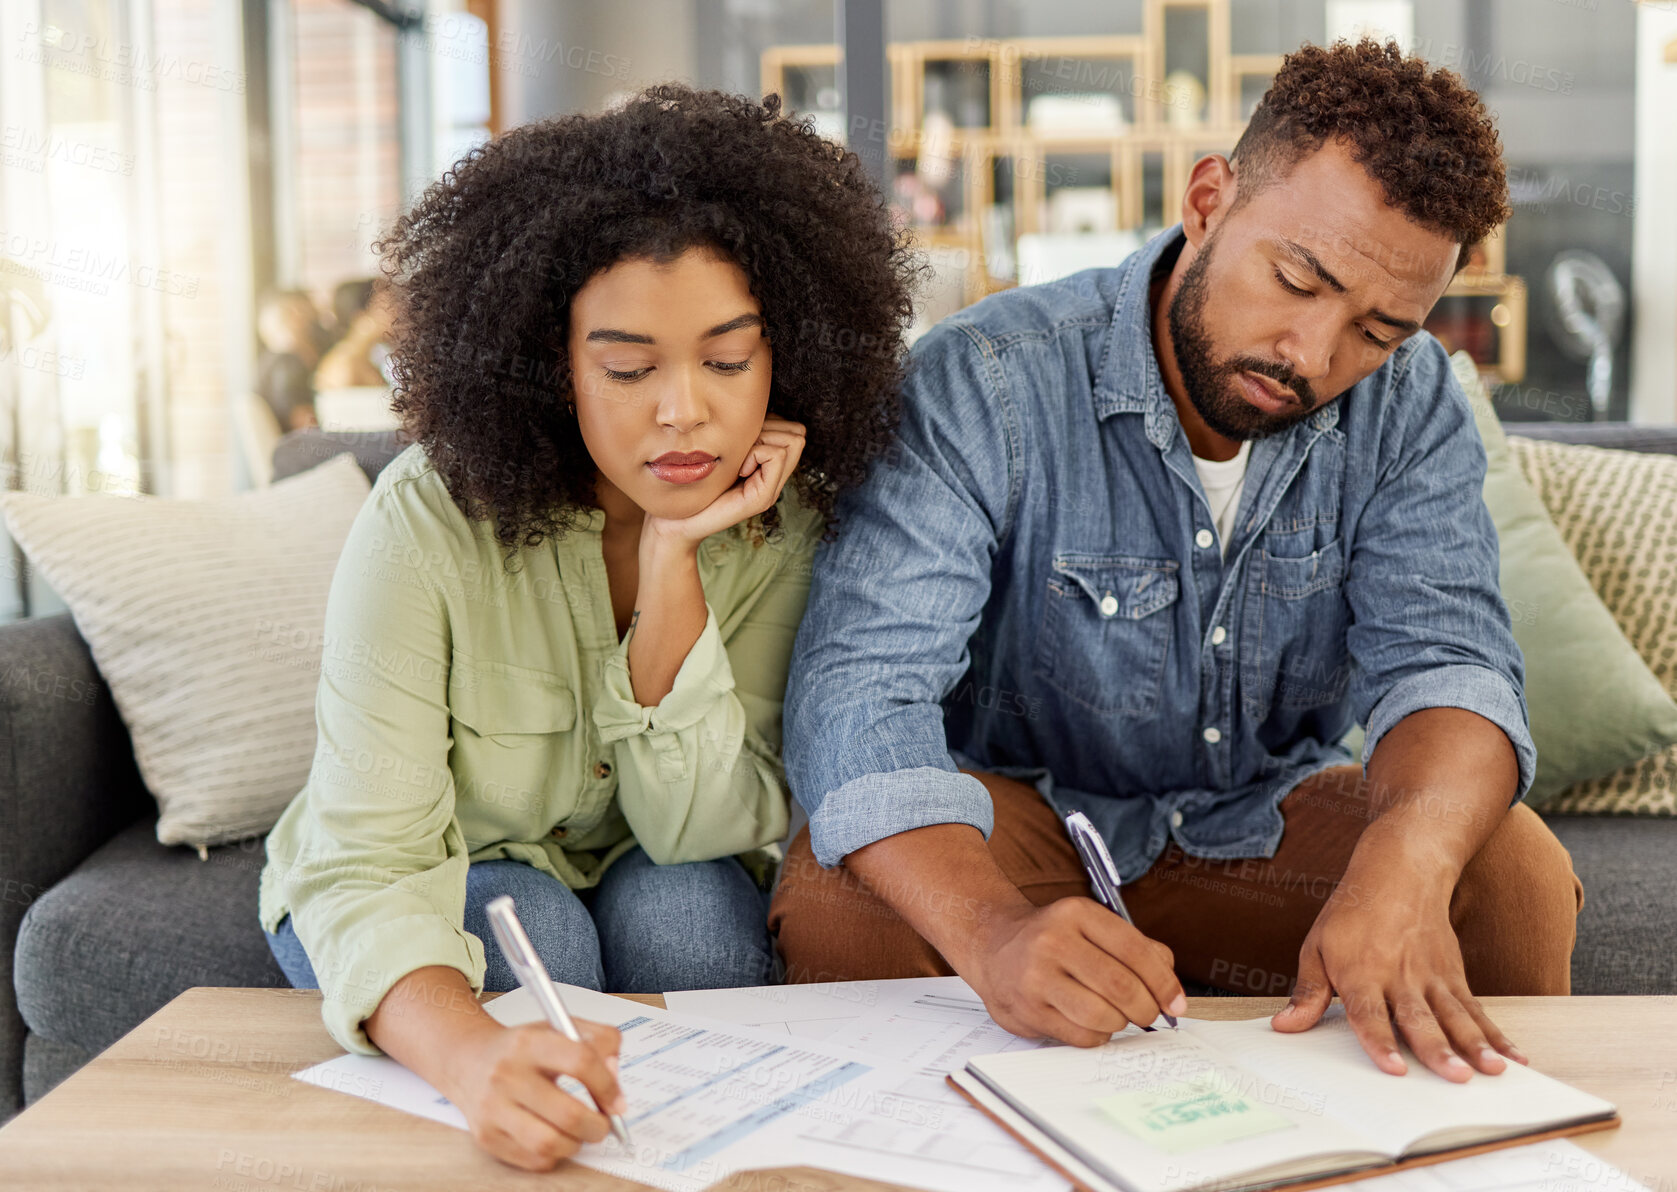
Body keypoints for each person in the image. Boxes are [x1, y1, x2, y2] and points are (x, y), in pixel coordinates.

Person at [771, 37, 1584, 1088]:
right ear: (1209, 198)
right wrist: (994, 934)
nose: (1313, 354)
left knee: (1509, 872)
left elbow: (1449, 661)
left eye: (1377, 330)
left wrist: (1406, 866)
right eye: (1296, 278)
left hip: (1259, 820)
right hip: (1021, 826)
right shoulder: (985, 381)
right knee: (842, 900)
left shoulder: (1412, 399)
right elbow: (861, 695)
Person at [258, 84, 916, 1172]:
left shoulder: (797, 524)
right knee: (536, 939)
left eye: (727, 358)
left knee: (693, 918)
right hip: (433, 867)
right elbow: (370, 862)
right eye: (626, 369)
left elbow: (710, 825)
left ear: (786, 352)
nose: (682, 411)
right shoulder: (427, 520)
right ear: (553, 366)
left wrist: (674, 566)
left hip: (653, 854)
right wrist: (470, 1059)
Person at [255, 289, 328, 430]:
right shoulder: (286, 364)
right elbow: (304, 422)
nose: (303, 317)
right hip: (301, 445)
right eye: (294, 314)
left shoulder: (271, 362)